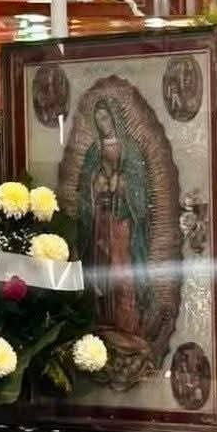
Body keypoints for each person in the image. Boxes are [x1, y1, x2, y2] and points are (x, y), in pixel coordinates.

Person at [78, 98, 151, 339]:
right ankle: (103, 322)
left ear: (114, 117)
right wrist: (96, 182)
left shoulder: (130, 149)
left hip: (121, 220)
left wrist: (124, 184)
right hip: (100, 219)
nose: (103, 124)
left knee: (122, 267)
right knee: (102, 265)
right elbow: (85, 183)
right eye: (98, 120)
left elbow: (140, 184)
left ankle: (127, 324)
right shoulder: (94, 150)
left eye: (105, 118)